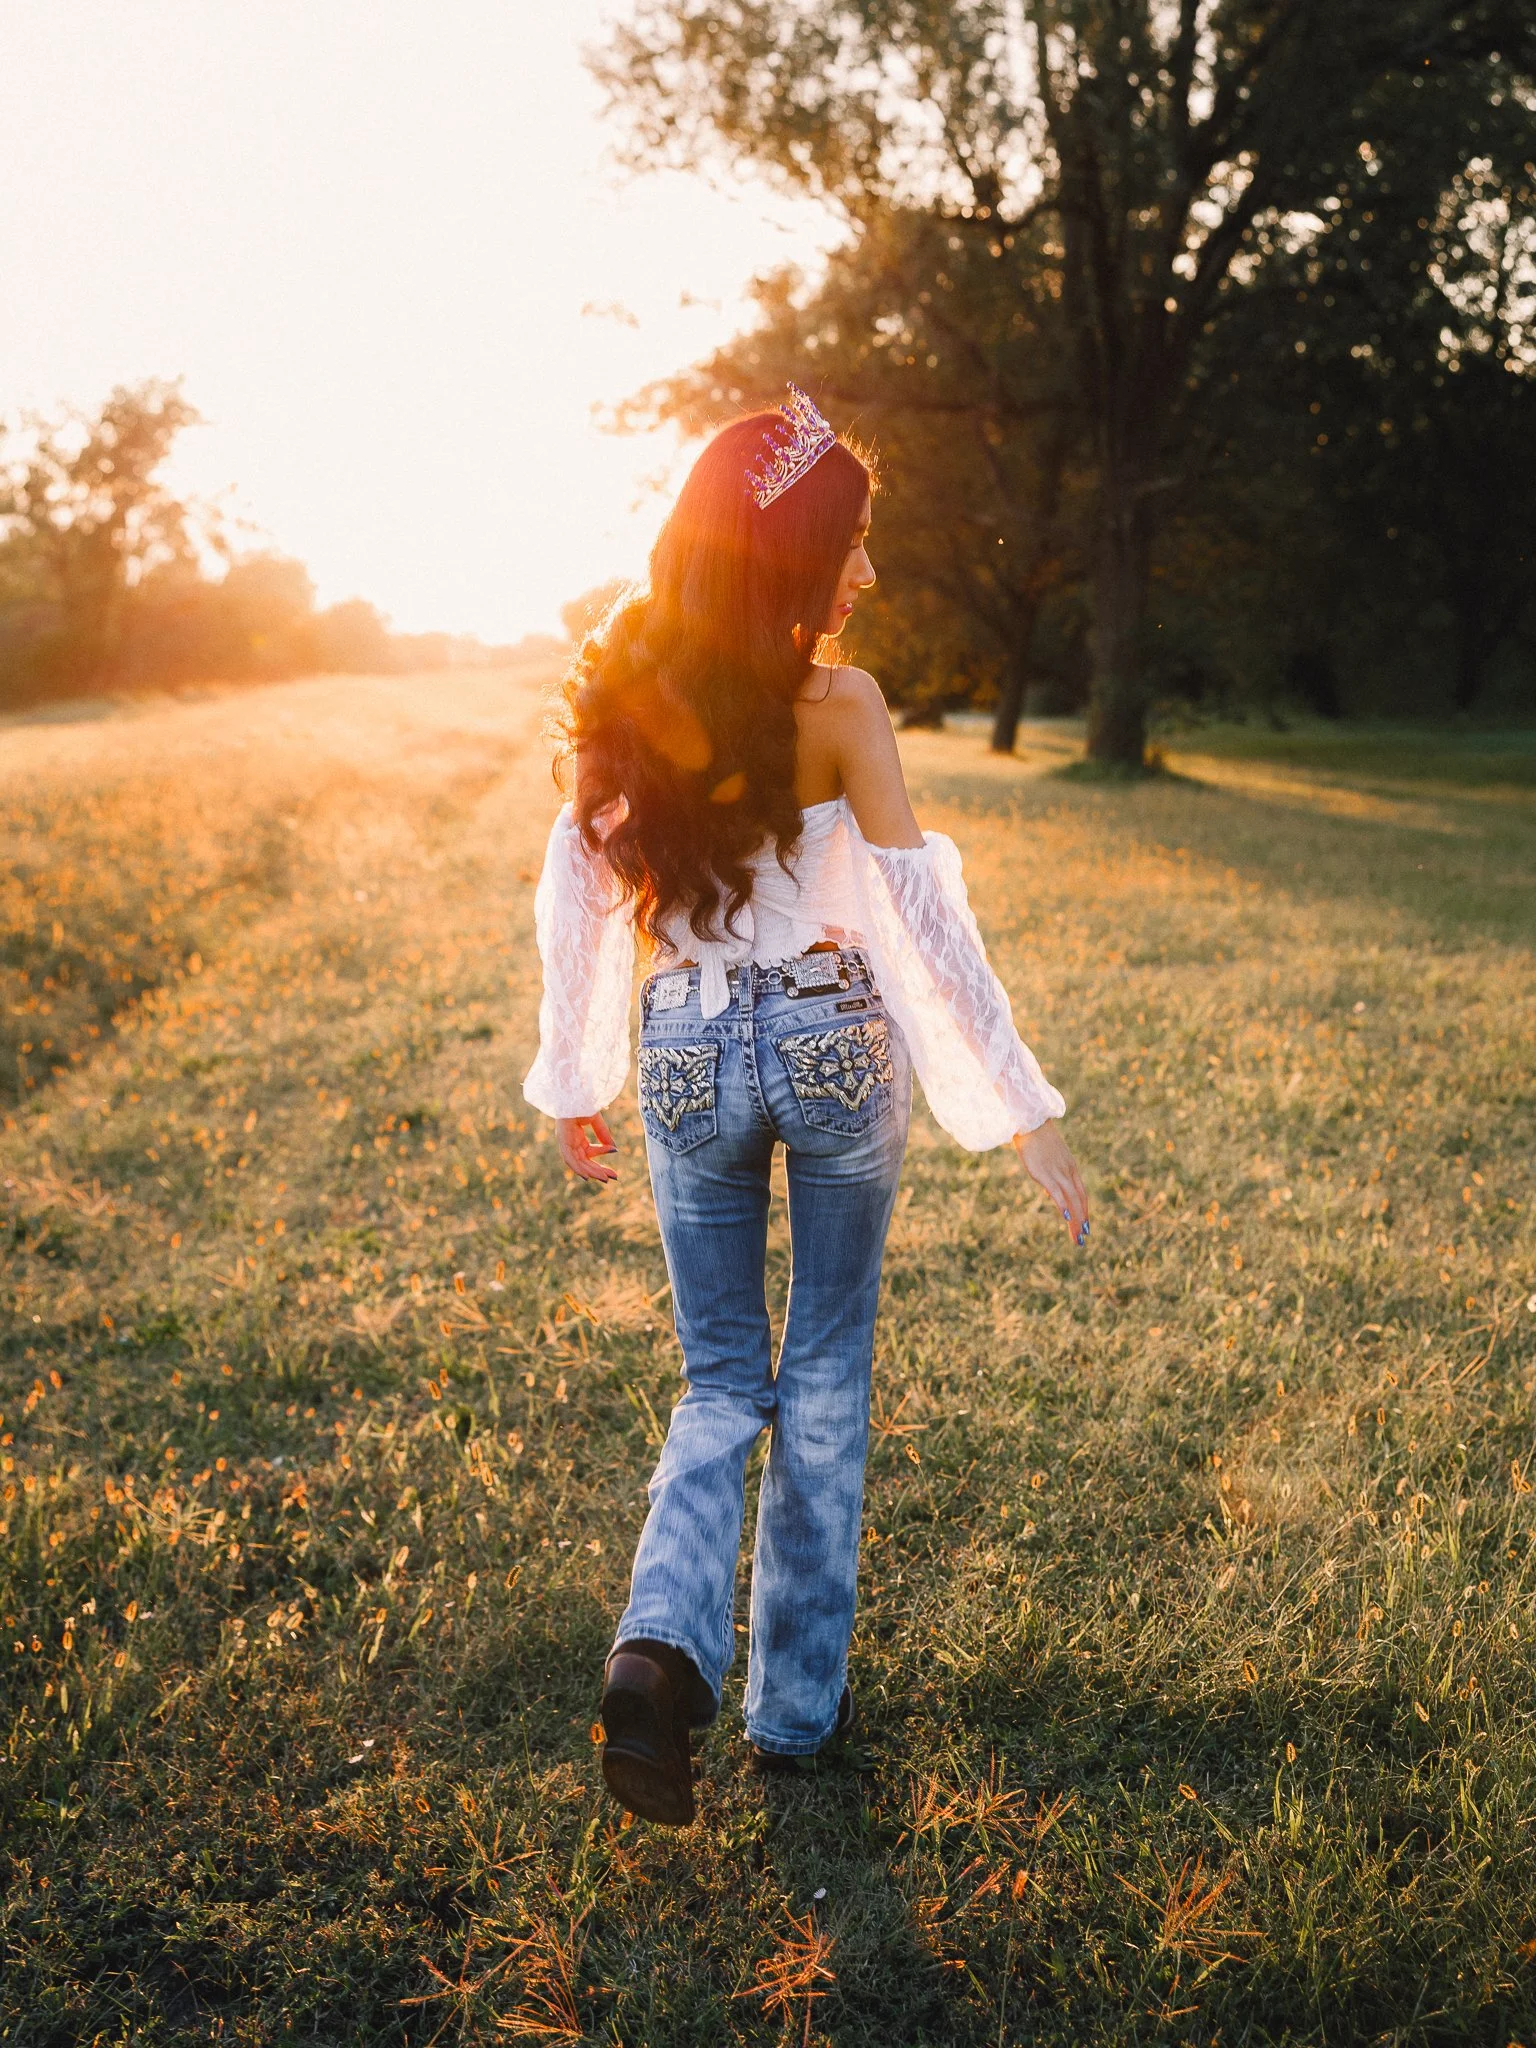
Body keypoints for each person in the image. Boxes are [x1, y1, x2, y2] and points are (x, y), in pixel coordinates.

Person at [523, 386, 1089, 1828]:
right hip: (835, 1045)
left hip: (687, 1052)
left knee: (722, 1377)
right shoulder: (840, 708)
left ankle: (657, 1647)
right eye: (855, 546)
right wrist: (1023, 1104)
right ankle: (790, 1716)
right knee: (824, 1373)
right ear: (792, 557)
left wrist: (578, 1078)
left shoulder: (619, 705)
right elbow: (918, 919)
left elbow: (577, 902)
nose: (871, 575)